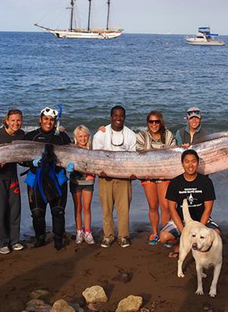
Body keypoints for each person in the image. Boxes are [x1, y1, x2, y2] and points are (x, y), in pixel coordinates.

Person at [23, 107, 71, 250]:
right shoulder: (31, 136)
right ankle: (40, 238)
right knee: (37, 212)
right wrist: (30, 163)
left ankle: (58, 240)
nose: (48, 122)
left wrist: (71, 165)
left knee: (58, 211)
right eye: (46, 119)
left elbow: (72, 155)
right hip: (35, 179)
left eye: (51, 120)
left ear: (55, 121)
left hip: (57, 179)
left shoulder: (62, 137)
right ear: (40, 120)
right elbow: (20, 158)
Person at [92, 105, 137, 248]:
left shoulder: (130, 135)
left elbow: (133, 157)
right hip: (105, 177)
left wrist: (131, 173)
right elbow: (95, 155)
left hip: (124, 178)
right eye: (115, 115)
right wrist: (100, 170)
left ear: (124, 117)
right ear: (111, 117)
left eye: (121, 116)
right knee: (106, 208)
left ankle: (123, 236)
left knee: (123, 209)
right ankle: (108, 235)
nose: (118, 118)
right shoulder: (101, 134)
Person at [160, 149, 219, 258]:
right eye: (187, 161)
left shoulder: (206, 182)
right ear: (182, 164)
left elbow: (208, 208)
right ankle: (179, 245)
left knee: (216, 235)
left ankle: (200, 249)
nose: (190, 165)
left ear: (198, 163)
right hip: (182, 220)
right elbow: (172, 208)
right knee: (164, 237)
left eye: (193, 161)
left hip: (201, 220)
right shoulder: (175, 182)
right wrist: (184, 232)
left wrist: (200, 228)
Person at [0, 109, 26, 254]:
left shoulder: (21, 135)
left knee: (15, 209)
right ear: (7, 121)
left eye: (19, 120)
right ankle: (2, 242)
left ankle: (14, 241)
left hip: (12, 177)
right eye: (13, 120)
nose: (16, 123)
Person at [136, 110, 177, 245]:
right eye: (151, 122)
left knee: (165, 207)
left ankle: (165, 232)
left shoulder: (168, 135)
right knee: (153, 206)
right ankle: (154, 232)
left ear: (161, 122)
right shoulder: (142, 135)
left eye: (157, 121)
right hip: (148, 175)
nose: (154, 124)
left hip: (164, 174)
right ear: (147, 123)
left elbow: (173, 155)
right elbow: (138, 155)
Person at [70, 125, 96, 245]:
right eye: (80, 136)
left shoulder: (92, 149)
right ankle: (79, 231)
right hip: (75, 181)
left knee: (86, 207)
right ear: (76, 137)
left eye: (85, 136)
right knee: (78, 208)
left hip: (88, 181)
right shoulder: (72, 148)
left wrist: (101, 129)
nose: (83, 138)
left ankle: (88, 232)